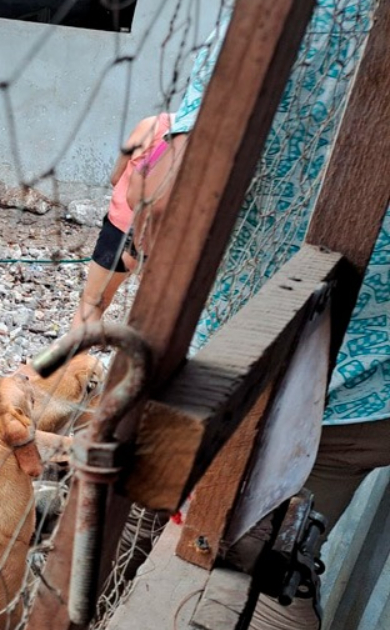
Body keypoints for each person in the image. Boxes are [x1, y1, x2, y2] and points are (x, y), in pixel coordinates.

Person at [123, 1, 386, 627]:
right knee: (276, 555)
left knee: (151, 524)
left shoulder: (283, 17)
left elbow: (167, 198)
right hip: (363, 394)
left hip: (237, 360)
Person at [72, 112, 173, 327]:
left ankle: (74, 358)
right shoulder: (207, 144)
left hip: (121, 226)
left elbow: (115, 177)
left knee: (93, 302)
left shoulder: (152, 125)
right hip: (163, 237)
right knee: (155, 312)